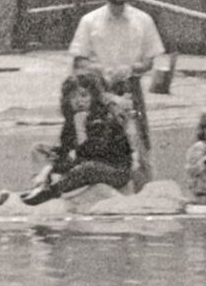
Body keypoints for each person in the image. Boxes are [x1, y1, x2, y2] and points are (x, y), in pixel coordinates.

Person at [69, 0, 165, 188]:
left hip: (130, 88)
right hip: (99, 91)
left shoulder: (143, 20)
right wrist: (102, 70)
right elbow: (79, 60)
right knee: (98, 144)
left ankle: (145, 194)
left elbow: (149, 61)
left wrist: (132, 68)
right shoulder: (89, 21)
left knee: (139, 146)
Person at [22, 72, 135, 205]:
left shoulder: (103, 119)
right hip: (84, 165)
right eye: (73, 97)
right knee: (38, 149)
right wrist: (54, 157)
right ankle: (39, 186)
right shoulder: (72, 119)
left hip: (114, 170)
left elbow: (90, 155)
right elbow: (67, 150)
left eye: (84, 95)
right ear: (67, 100)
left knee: (88, 168)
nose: (79, 101)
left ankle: (51, 191)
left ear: (93, 97)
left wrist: (80, 127)